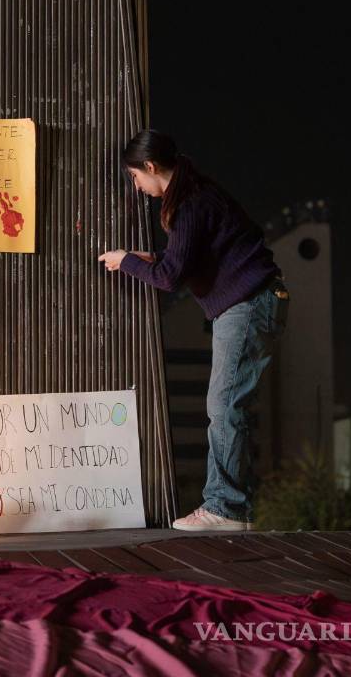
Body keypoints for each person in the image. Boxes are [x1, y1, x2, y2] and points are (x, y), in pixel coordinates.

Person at [98, 130, 290, 531]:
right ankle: (229, 507)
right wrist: (149, 258)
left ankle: (226, 509)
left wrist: (127, 261)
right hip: (249, 302)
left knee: (224, 407)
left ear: (151, 167)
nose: (137, 186)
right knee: (226, 406)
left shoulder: (188, 204)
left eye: (135, 177)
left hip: (248, 304)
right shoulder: (196, 195)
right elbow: (185, 258)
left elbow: (169, 278)